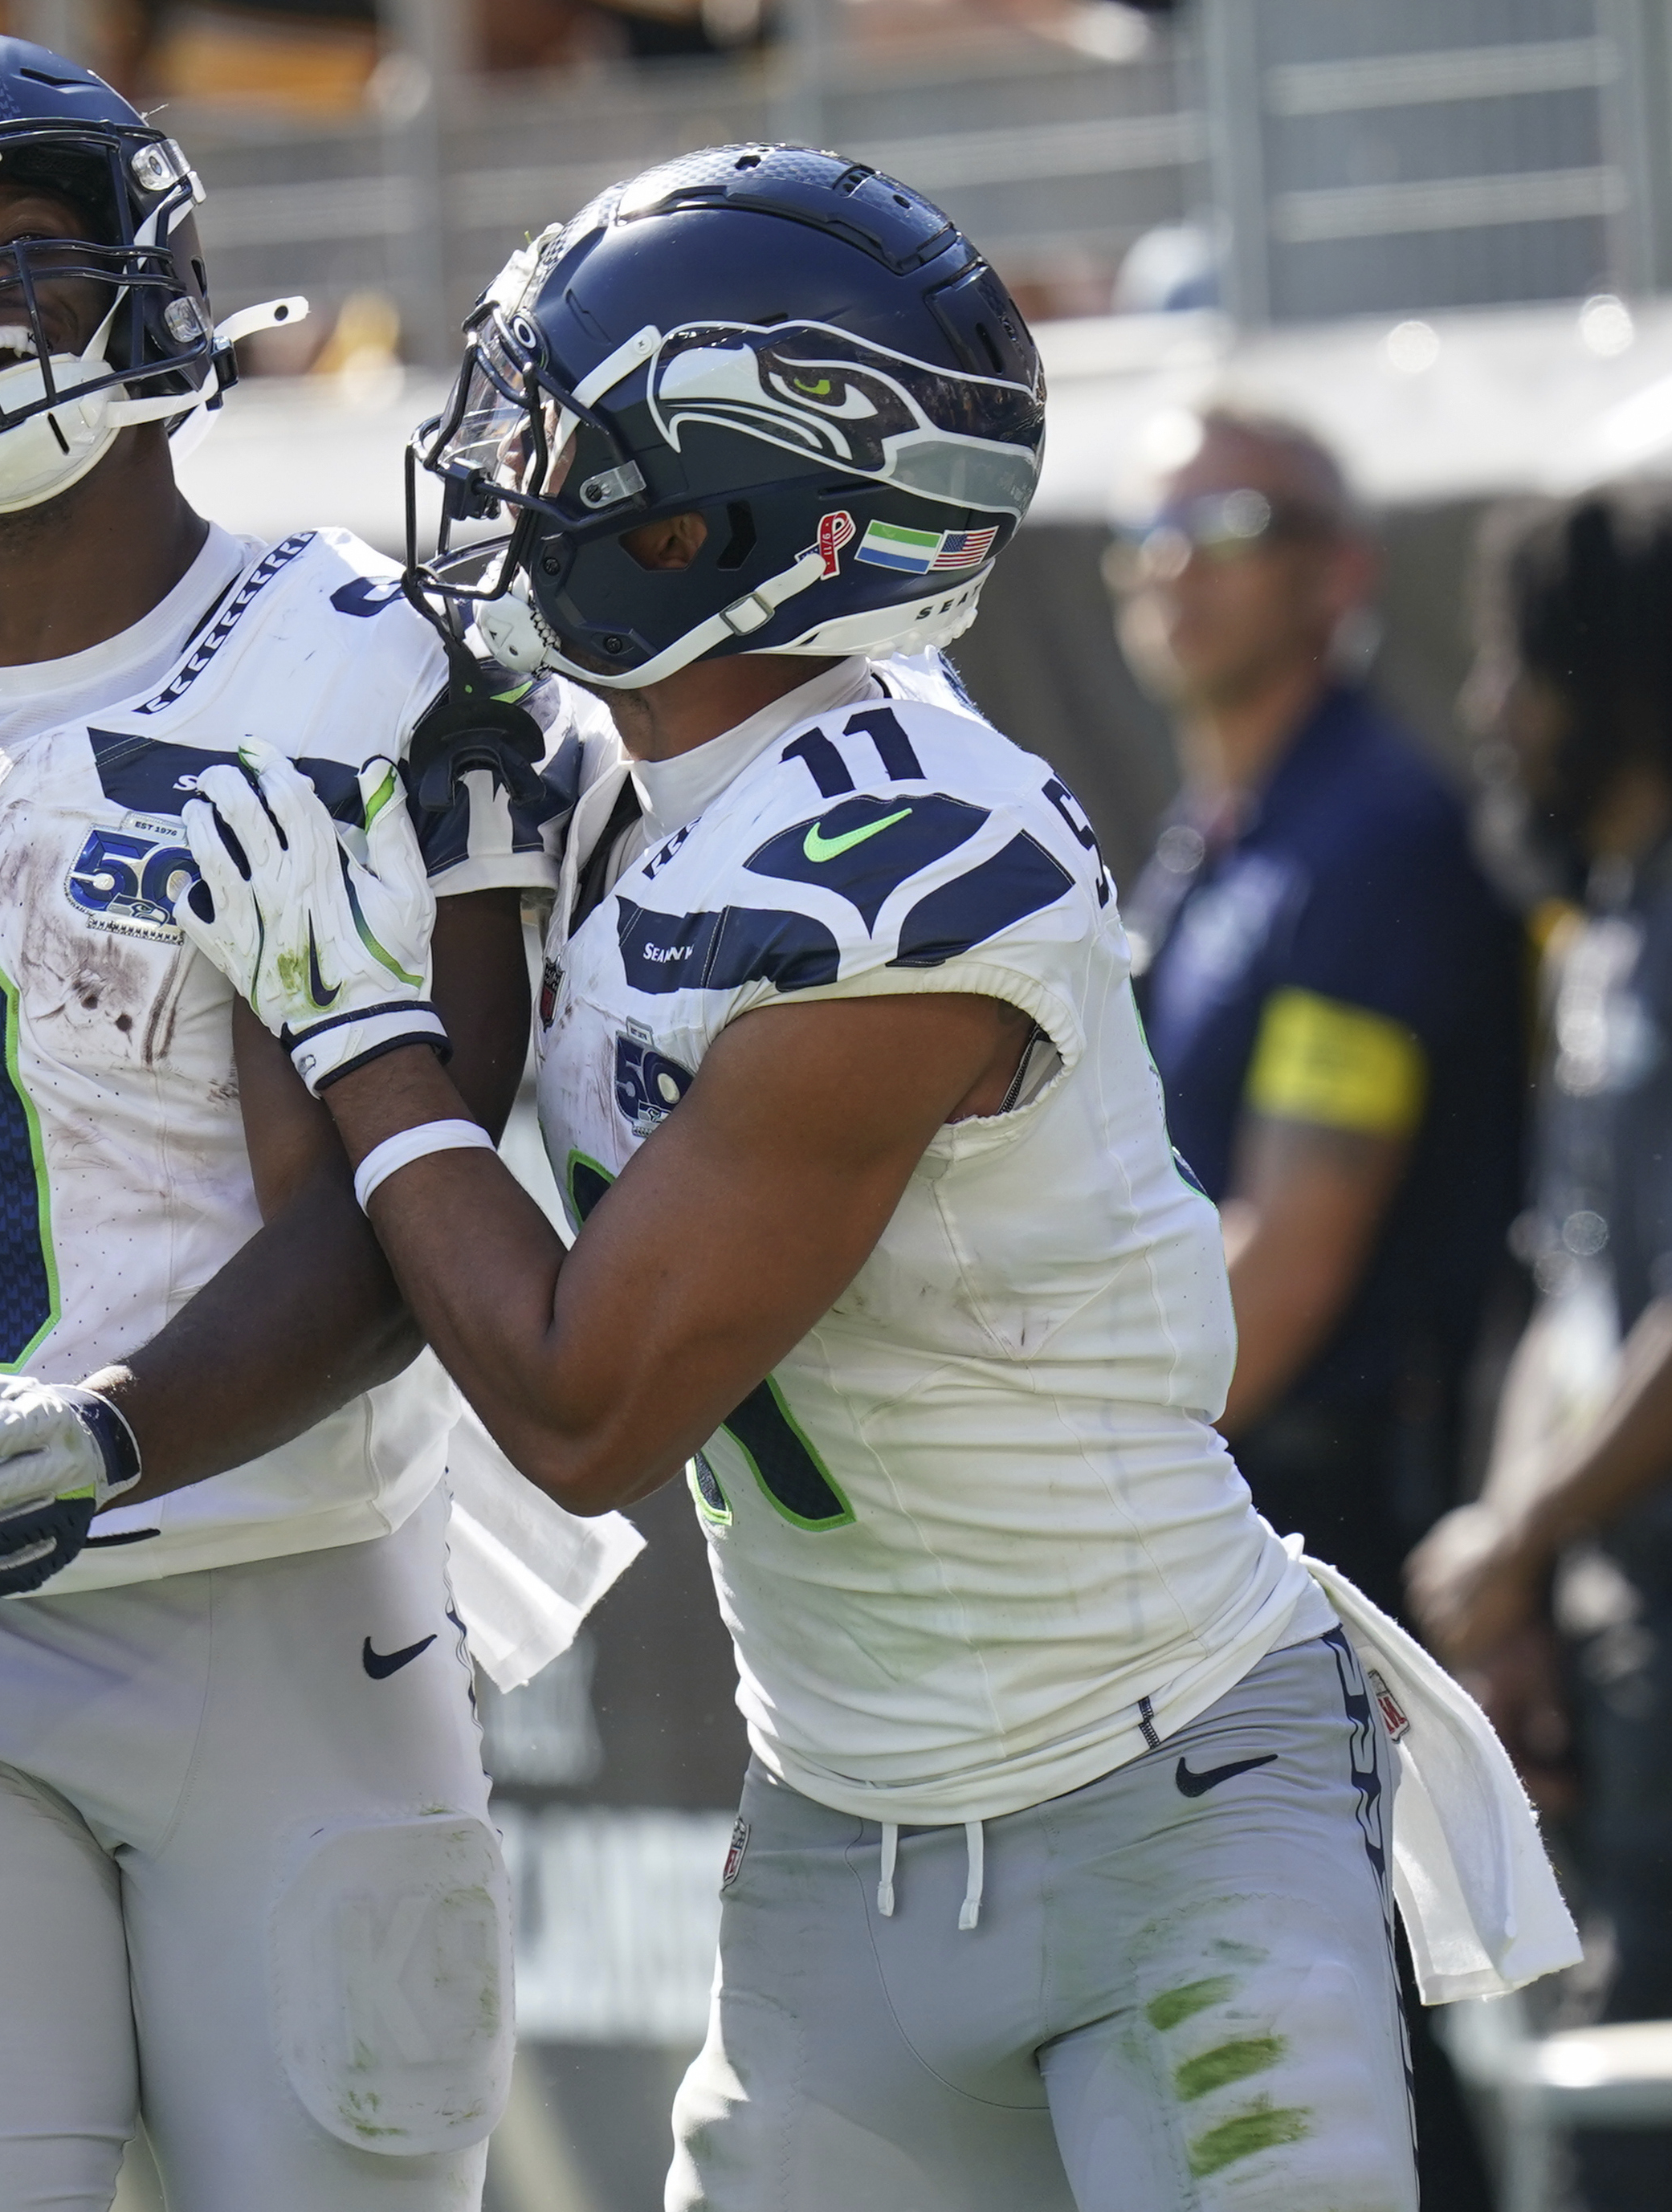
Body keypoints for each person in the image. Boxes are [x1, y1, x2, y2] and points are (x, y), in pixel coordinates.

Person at [177, 145, 1564, 2207]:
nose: (499, 476)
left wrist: (361, 1032)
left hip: (1158, 1797)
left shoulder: (901, 861)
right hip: (837, 1828)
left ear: (712, 497)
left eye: (559, 431)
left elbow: (580, 1400)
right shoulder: (607, 794)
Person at [0, 23, 579, 2212]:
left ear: (137, 270)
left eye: (16, 253)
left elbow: (399, 1201)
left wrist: (111, 1428)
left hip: (279, 1603)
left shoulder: (351, 662)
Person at [1119, 405, 1521, 1619]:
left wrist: (1074, 1481)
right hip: (1216, 1495)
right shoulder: (1224, 833)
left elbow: (1291, 1255)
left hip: (1321, 1542)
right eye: (1153, 526)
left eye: (1230, 524)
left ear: (1337, 571)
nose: (1177, 559)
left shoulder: (1369, 841)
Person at [1413, 488, 1672, 2210]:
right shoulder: (1602, 926)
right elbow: (1568, 1283)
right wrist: (1512, 1556)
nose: (1488, 709)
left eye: (1514, 663)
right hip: (1616, 1657)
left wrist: (1513, 1534)